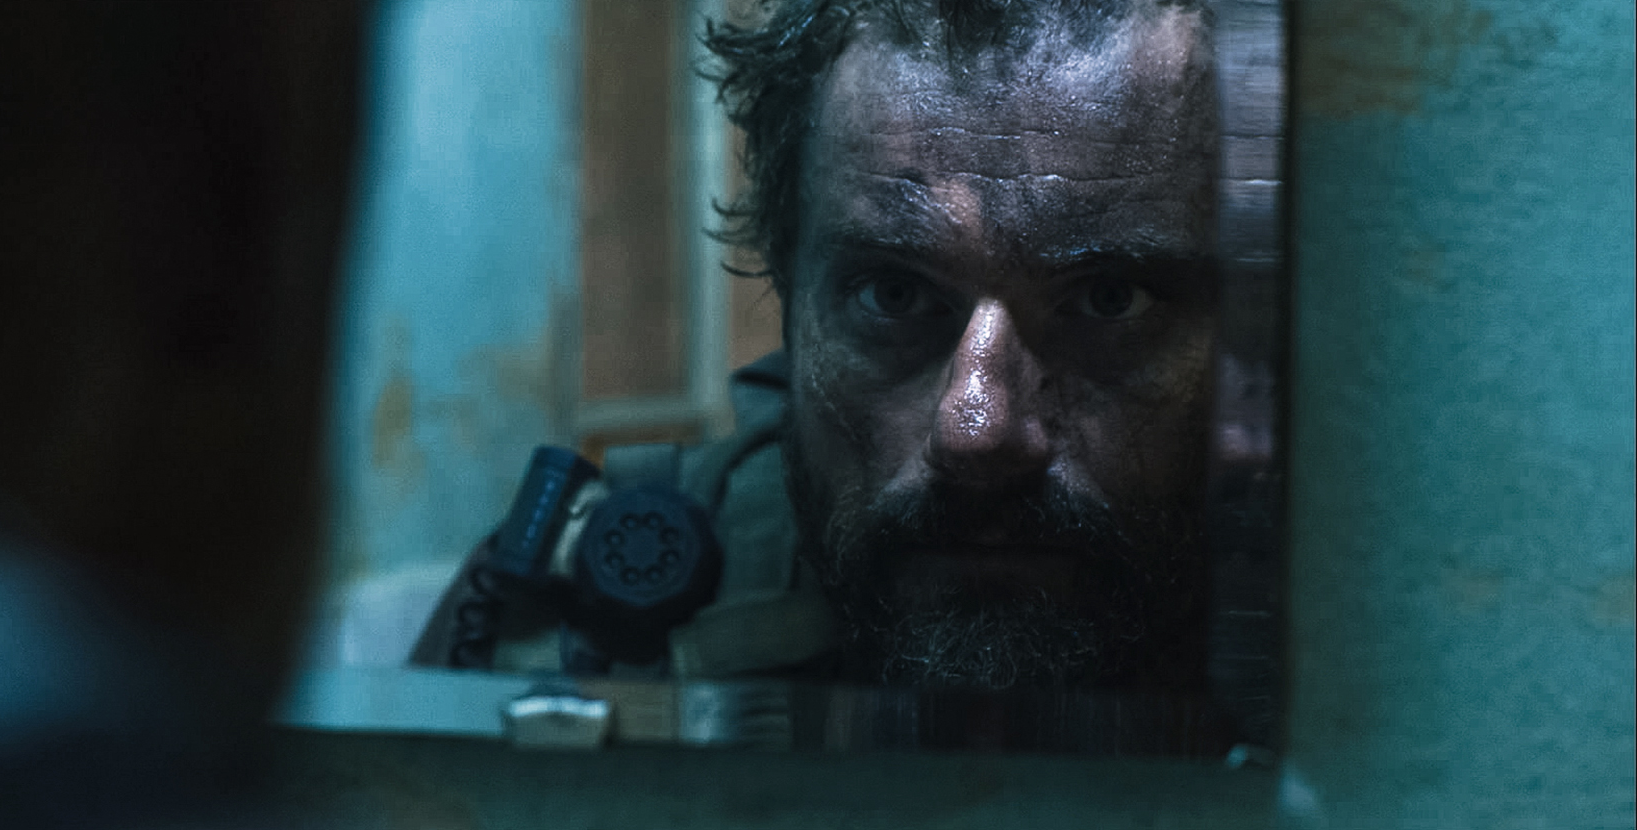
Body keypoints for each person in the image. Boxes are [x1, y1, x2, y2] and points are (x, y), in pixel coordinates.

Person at [415, 0, 1219, 700]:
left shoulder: (1296, 638)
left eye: (1109, 299)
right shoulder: (575, 635)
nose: (975, 430)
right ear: (788, 293)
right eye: (895, 295)